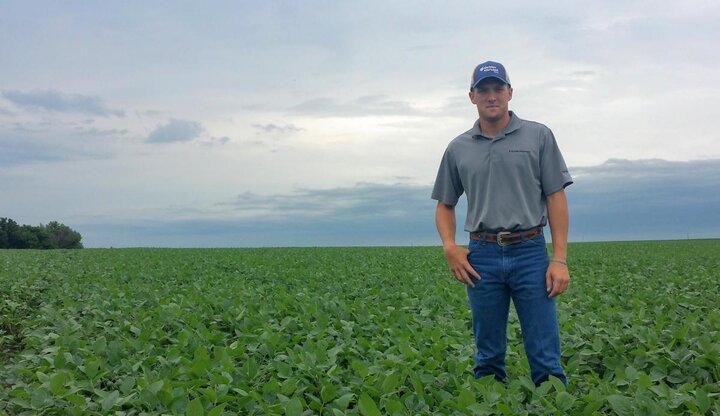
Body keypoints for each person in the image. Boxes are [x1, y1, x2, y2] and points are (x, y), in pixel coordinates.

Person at [431, 61, 572, 386]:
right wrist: (450, 247)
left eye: (497, 88)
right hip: (482, 255)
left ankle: (553, 404)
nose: (491, 96)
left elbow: (555, 198)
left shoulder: (538, 135)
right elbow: (444, 204)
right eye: (483, 90)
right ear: (472, 96)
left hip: (531, 252)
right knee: (488, 354)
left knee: (545, 353)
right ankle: (488, 403)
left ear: (509, 92)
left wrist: (559, 258)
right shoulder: (458, 148)